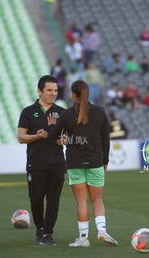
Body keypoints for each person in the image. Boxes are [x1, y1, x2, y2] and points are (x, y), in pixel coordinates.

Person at [47, 79, 119, 248]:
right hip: (95, 161)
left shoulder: (67, 114)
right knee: (97, 199)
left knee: (81, 201)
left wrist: (53, 127)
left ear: (73, 95)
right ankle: (101, 230)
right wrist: (105, 160)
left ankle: (83, 238)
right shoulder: (100, 112)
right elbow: (105, 139)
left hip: (75, 163)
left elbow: (53, 136)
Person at [17, 75, 66, 246]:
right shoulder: (28, 112)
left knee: (53, 200)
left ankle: (48, 233)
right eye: (49, 90)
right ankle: (40, 228)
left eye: (56, 90)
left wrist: (60, 138)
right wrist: (37, 136)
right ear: (39, 91)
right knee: (36, 199)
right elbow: (21, 137)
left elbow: (64, 139)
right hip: (35, 163)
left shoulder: (62, 112)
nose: (53, 93)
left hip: (57, 163)